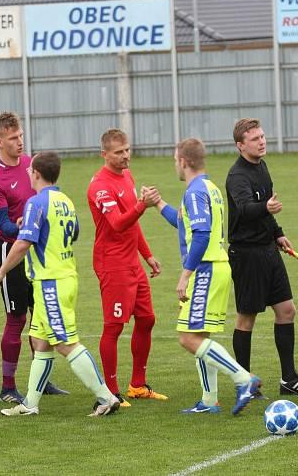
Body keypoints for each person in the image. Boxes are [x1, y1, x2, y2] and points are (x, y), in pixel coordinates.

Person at [0, 152, 120, 417]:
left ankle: (106, 397)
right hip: (59, 278)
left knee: (65, 343)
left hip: (51, 281)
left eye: (30, 171)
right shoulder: (65, 200)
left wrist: (2, 271)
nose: (28, 173)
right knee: (40, 341)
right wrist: (29, 224)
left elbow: (23, 244)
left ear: (36, 174)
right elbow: (72, 233)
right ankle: (30, 404)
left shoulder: (35, 202)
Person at [153, 138, 261, 415]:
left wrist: (185, 274)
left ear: (184, 161)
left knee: (188, 338)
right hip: (217, 266)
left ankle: (244, 379)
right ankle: (209, 400)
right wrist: (158, 203)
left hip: (206, 269)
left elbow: (201, 235)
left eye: (176, 159)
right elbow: (184, 222)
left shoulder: (195, 191)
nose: (175, 164)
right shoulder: (209, 188)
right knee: (198, 335)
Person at [225, 118, 298, 397]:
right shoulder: (237, 176)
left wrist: (278, 233)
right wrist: (265, 208)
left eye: (263, 136)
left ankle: (289, 379)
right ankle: (244, 382)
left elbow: (266, 208)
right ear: (241, 145)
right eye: (255, 139)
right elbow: (243, 209)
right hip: (247, 254)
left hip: (268, 249)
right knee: (247, 318)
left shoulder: (262, 167)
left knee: (287, 311)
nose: (262, 141)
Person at [0, 111, 67, 403]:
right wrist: (20, 227)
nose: (20, 142)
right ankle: (8, 387)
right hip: (9, 249)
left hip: (36, 250)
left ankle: (40, 380)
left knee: (39, 316)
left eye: (21, 136)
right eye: (13, 138)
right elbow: (3, 223)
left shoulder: (32, 164)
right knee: (16, 318)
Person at [87, 128, 167, 407]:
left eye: (127, 150)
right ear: (104, 154)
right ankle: (110, 391)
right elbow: (118, 223)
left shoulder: (127, 176)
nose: (125, 156)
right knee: (114, 327)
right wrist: (144, 205)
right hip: (113, 265)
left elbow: (131, 224)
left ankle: (138, 385)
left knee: (147, 320)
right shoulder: (99, 186)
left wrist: (147, 254)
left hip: (132, 263)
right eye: (119, 152)